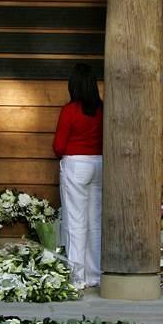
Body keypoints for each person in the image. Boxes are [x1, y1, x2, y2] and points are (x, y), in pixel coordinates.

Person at [53, 63, 103, 288]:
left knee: (75, 222)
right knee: (95, 221)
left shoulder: (70, 110)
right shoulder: (102, 109)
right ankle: (94, 274)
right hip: (99, 164)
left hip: (76, 165)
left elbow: (59, 146)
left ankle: (76, 277)